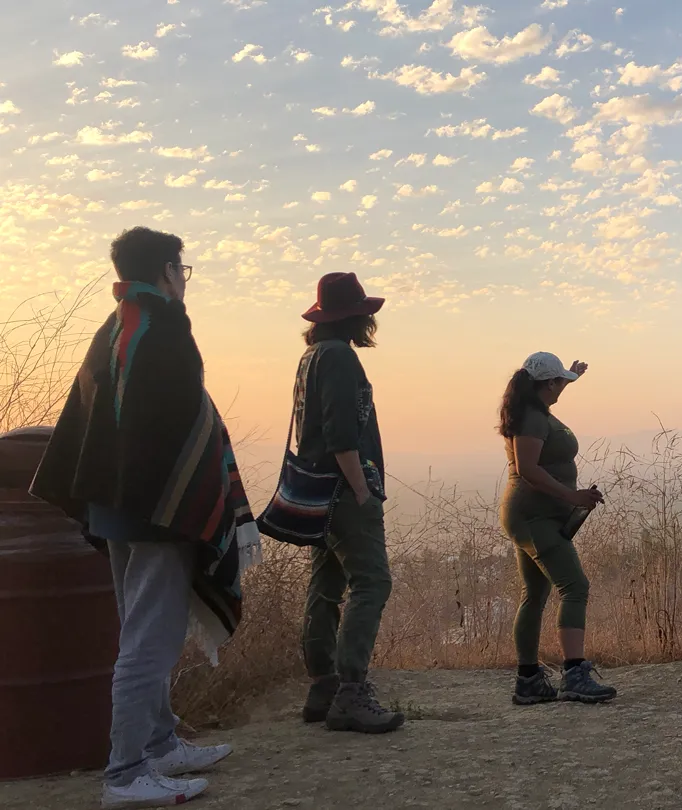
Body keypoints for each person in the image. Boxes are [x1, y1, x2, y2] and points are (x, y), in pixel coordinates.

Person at [31, 227, 261, 809]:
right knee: (149, 640)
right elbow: (178, 428)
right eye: (182, 270)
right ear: (165, 271)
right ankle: (127, 773)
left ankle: (159, 745)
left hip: (117, 509)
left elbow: (102, 425)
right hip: (156, 514)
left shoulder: (114, 329)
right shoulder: (162, 330)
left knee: (140, 630)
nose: (184, 280)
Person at [295, 272, 405, 734]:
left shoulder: (312, 356)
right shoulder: (340, 356)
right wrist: (361, 489)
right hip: (343, 489)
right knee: (372, 582)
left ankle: (323, 687)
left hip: (317, 489)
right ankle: (351, 692)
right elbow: (341, 432)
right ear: (355, 317)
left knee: (325, 584)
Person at [499, 352, 616, 705]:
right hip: (534, 517)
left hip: (535, 515)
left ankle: (528, 680)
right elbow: (528, 468)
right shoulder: (533, 418)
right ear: (549, 384)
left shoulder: (533, 410)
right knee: (575, 587)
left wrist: (572, 375)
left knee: (535, 594)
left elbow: (534, 463)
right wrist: (572, 496)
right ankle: (574, 674)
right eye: (560, 381)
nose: (563, 386)